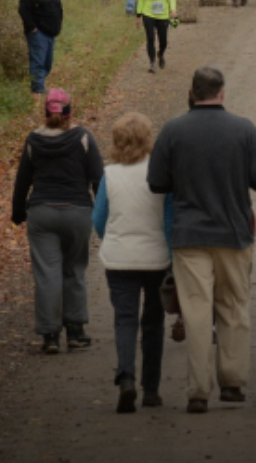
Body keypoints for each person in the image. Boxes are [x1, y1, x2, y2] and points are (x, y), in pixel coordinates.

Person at [147, 67, 256, 414]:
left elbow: (157, 182)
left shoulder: (173, 131)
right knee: (233, 307)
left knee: (196, 312)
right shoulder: (243, 129)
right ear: (222, 92)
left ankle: (198, 390)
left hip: (190, 234)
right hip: (233, 233)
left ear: (192, 92)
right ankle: (232, 383)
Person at [12, 88, 104, 354]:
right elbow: (98, 179)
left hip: (43, 213)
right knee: (75, 269)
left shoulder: (33, 141)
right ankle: (75, 331)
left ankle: (50, 335)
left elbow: (22, 182)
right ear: (69, 113)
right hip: (77, 212)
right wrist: (101, 214)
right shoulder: (84, 138)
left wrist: (18, 213)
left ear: (45, 113)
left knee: (47, 273)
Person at [93, 112, 173, 413]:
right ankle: (151, 390)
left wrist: (112, 237)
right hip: (155, 257)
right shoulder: (160, 172)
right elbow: (169, 218)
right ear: (147, 138)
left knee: (124, 320)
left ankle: (126, 377)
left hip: (119, 258)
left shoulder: (109, 174)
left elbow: (98, 219)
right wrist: (171, 253)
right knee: (153, 322)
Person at [18, 0, 63, 94]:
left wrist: (58, 26)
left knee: (47, 63)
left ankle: (39, 83)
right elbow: (23, 11)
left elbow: (59, 11)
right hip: (38, 34)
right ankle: (38, 88)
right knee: (38, 61)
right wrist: (32, 28)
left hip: (51, 33)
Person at [136, 0, 177, 73]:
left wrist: (173, 10)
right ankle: (152, 63)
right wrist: (138, 15)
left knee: (163, 40)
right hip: (148, 13)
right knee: (150, 38)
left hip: (163, 15)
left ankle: (161, 53)